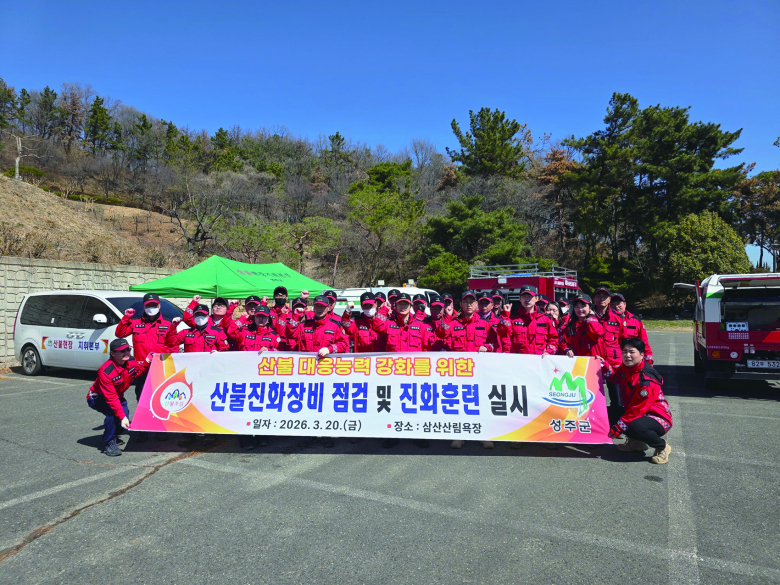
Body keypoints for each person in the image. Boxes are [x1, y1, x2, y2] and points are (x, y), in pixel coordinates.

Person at [365, 292, 435, 449]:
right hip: (393, 373)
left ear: (410, 306)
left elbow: (426, 348)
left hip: (415, 372)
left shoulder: (420, 324)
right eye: (400, 304)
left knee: (415, 404)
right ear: (395, 306)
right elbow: (376, 326)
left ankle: (418, 434)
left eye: (406, 304)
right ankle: (393, 435)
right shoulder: (388, 322)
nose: (403, 307)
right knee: (394, 405)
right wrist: (384, 309)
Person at [281, 295, 349, 448]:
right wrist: (295, 317)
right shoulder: (304, 325)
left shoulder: (335, 325)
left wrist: (331, 348)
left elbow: (344, 344)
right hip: (308, 372)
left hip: (327, 372)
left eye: (322, 307)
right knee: (309, 403)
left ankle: (325, 434)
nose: (319, 309)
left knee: (325, 403)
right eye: (317, 306)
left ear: (328, 308)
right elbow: (290, 334)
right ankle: (310, 433)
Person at [436, 291, 498, 449]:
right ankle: (460, 435)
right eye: (466, 302)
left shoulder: (484, 324)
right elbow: (441, 333)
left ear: (476, 304)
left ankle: (484, 435)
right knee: (460, 403)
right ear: (461, 304)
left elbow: (494, 343)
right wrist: (445, 316)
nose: (469, 305)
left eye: (472, 302)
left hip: (479, 372)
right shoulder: (453, 323)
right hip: (459, 372)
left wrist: (487, 347)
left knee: (481, 403)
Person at [115, 292, 176, 443]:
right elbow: (120, 333)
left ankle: (159, 428)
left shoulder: (167, 324)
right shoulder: (135, 323)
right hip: (141, 367)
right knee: (142, 399)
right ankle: (143, 429)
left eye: (154, 305)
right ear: (144, 307)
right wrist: (126, 318)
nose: (151, 308)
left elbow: (172, 344)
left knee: (161, 399)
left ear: (159, 306)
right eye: (148, 305)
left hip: (160, 368)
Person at [600, 338, 673, 464]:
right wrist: (604, 365)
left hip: (657, 417)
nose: (627, 355)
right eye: (624, 352)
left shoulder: (646, 379)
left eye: (632, 352)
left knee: (635, 426)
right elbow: (616, 377)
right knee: (607, 414)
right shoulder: (627, 368)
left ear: (642, 354)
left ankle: (662, 446)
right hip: (637, 413)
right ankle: (636, 443)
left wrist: (617, 428)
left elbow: (637, 410)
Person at [168, 304, 230, 448]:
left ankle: (209, 433)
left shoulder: (217, 332)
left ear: (208, 316)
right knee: (189, 403)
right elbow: (171, 342)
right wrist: (173, 328)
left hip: (210, 374)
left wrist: (219, 354)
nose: (200, 317)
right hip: (190, 374)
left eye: (203, 315)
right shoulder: (186, 332)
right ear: (193, 317)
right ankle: (188, 434)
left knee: (207, 403)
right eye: (197, 315)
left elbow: (225, 350)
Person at [223, 305, 280, 449]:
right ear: (254, 317)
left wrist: (270, 350)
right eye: (258, 316)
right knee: (244, 408)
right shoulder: (244, 331)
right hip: (244, 376)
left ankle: (262, 436)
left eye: (264, 317)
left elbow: (281, 352)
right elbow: (230, 330)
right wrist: (244, 317)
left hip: (264, 377)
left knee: (262, 406)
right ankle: (245, 438)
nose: (261, 319)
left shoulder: (274, 335)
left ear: (268, 319)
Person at [87, 338, 156, 456]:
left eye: (128, 349)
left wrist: (147, 361)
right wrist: (121, 416)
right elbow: (111, 398)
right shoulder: (106, 371)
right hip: (98, 398)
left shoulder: (131, 361)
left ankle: (112, 434)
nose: (126, 353)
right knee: (113, 413)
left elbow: (136, 373)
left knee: (124, 417)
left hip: (116, 396)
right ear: (112, 353)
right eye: (122, 351)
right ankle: (109, 442)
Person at [592, 286, 627, 424]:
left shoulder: (617, 318)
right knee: (592, 397)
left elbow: (623, 340)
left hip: (614, 363)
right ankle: (595, 425)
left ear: (609, 300)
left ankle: (616, 424)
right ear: (594, 299)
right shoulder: (588, 316)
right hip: (593, 363)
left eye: (604, 296)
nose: (601, 299)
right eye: (598, 296)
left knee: (617, 398)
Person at [497, 284, 558, 356]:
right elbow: (504, 336)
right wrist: (505, 316)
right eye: (524, 297)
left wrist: (549, 351)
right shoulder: (512, 318)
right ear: (520, 298)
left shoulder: (546, 319)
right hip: (519, 359)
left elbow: (553, 339)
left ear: (536, 298)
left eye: (530, 296)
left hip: (539, 359)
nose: (527, 299)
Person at [610, 293, 653, 364]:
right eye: (612, 304)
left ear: (625, 304)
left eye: (618, 303)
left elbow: (644, 342)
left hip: (632, 359)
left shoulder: (636, 321)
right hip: (614, 360)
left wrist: (649, 360)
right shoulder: (605, 321)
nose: (616, 306)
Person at [560, 294, 604, 358]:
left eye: (583, 306)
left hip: (592, 361)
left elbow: (595, 333)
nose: (580, 309)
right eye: (577, 306)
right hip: (576, 362)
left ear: (590, 307)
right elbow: (562, 343)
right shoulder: (570, 326)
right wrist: (567, 350)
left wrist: (591, 317)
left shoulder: (597, 323)